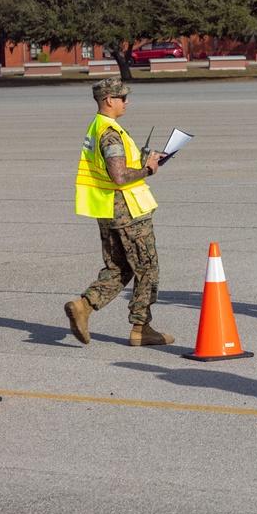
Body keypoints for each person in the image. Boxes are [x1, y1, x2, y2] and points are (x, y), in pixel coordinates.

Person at [64, 76, 175, 347]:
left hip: (108, 209)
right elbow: (119, 175)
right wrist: (148, 170)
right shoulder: (110, 132)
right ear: (108, 100)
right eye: (122, 97)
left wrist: (146, 157)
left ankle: (85, 306)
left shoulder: (99, 127)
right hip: (127, 211)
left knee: (119, 267)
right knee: (147, 267)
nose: (127, 101)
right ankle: (141, 328)